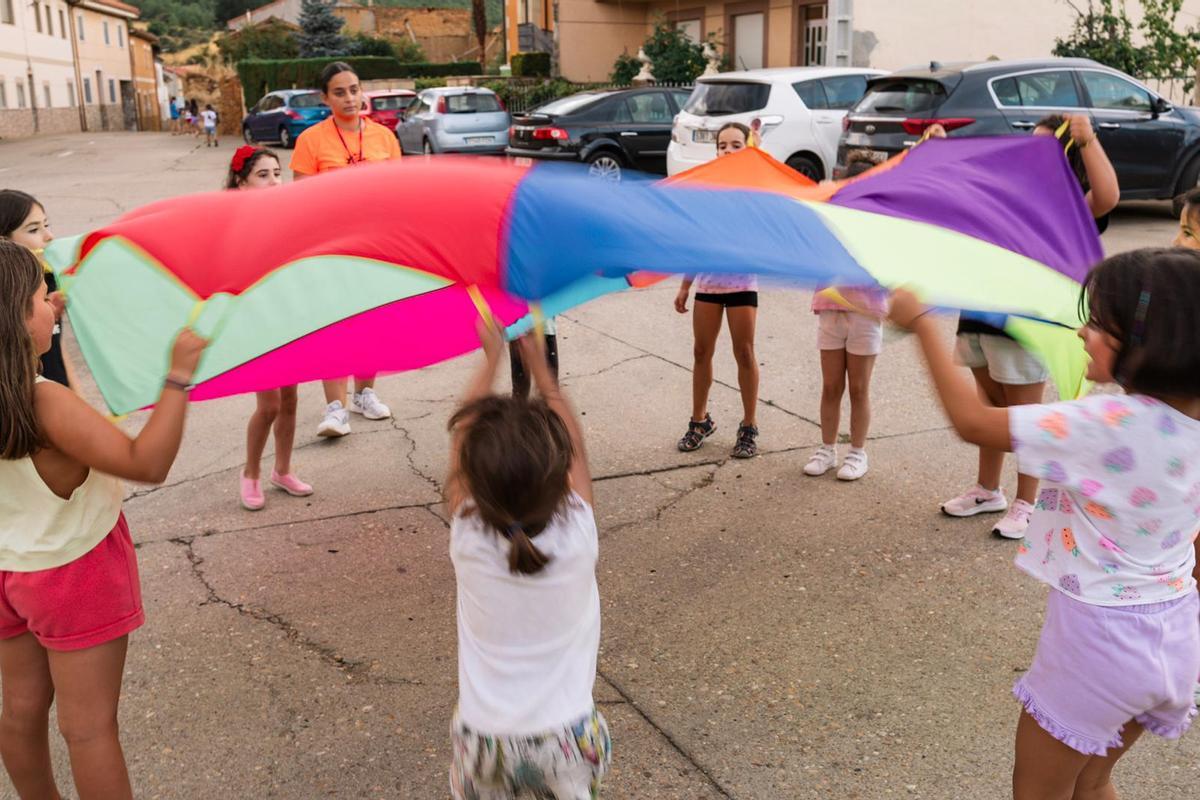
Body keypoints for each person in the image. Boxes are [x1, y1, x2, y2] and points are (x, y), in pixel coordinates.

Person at [890, 248, 1200, 800]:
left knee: (1038, 792)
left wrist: (920, 324)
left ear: (1148, 342)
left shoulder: (1105, 424)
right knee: (1093, 780)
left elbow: (972, 422)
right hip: (1175, 635)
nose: (1083, 331)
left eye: (1100, 323)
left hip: (1101, 644)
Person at [0, 239, 206, 800]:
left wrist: (41, 319)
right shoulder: (45, 404)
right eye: (43, 298)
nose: (55, 303)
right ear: (16, 320)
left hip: (7, 570)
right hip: (71, 571)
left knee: (19, 711)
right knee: (87, 728)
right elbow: (149, 463)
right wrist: (177, 378)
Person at [445, 323, 609, 799]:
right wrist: (541, 369)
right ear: (559, 476)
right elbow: (575, 446)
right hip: (565, 740)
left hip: (484, 741)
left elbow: (460, 441)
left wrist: (489, 357)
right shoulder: (577, 533)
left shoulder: (470, 536)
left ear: (475, 480)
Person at [941, 113, 1119, 539]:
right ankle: (988, 490)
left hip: (1027, 326)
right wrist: (939, 147)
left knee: (1026, 417)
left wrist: (1087, 139)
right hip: (979, 317)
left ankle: (1027, 502)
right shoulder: (1004, 196)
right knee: (989, 407)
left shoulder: (1068, 208)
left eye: (1047, 145)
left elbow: (1108, 197)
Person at [291, 61, 401, 438]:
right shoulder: (311, 140)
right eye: (339, 92)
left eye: (354, 89)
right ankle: (335, 409)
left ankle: (364, 394)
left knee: (371, 323)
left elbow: (399, 192)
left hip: (375, 246)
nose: (350, 98)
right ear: (325, 98)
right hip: (333, 247)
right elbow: (301, 200)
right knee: (334, 325)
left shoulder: (385, 137)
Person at [226, 146, 313, 511]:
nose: (275, 181)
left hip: (288, 316)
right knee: (269, 405)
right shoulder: (231, 223)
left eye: (277, 173)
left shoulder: (289, 218)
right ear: (241, 183)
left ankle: (283, 470)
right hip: (255, 320)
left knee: (291, 400)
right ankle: (250, 474)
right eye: (263, 175)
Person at [674, 121, 760, 459]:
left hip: (742, 284)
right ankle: (700, 421)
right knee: (701, 352)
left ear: (747, 148)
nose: (727, 150)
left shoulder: (755, 188)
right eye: (722, 145)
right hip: (709, 284)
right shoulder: (705, 189)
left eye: (735, 145)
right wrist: (685, 285)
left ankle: (749, 426)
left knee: (745, 353)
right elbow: (695, 241)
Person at [803, 155, 886, 481]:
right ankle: (826, 449)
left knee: (859, 389)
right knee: (831, 386)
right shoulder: (831, 217)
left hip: (866, 313)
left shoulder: (884, 224)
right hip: (830, 310)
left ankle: (857, 453)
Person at [0, 190, 70, 388]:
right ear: (4, 241)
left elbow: (59, 347)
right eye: (33, 230)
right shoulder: (8, 297)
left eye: (46, 225)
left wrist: (77, 397)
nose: (49, 236)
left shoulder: (49, 278)